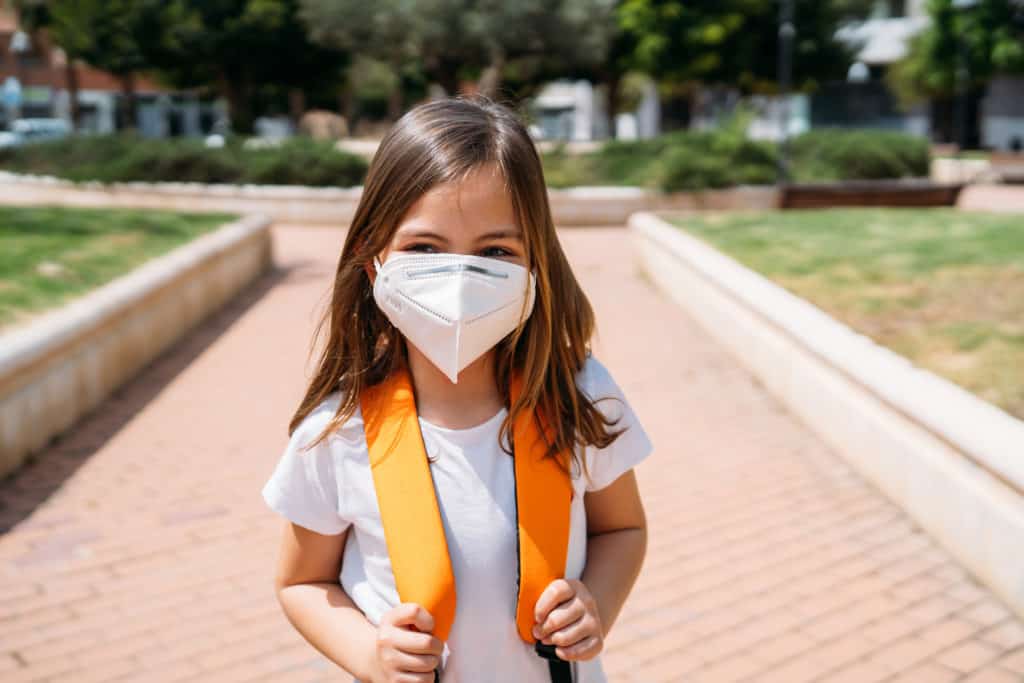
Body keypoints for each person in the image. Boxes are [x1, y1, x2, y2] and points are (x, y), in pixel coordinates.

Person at [261, 94, 654, 683]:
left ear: (534, 265)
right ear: (375, 262)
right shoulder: (336, 433)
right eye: (425, 249)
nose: (462, 280)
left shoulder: (578, 395)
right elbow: (301, 582)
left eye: (496, 252)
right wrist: (368, 654)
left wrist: (596, 601)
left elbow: (622, 529)